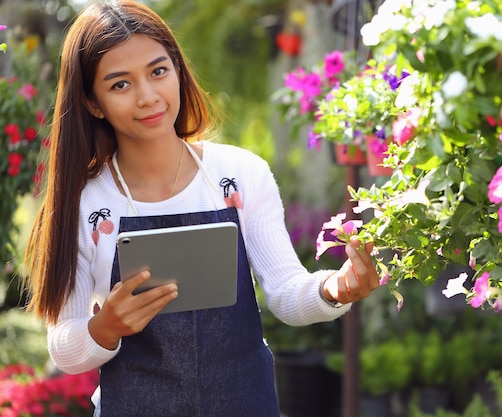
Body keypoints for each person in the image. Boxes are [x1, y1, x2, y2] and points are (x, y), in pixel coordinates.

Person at [23, 1, 381, 416]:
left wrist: (334, 289)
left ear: (177, 70)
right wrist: (103, 330)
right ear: (92, 103)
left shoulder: (240, 174)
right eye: (120, 84)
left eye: (158, 71)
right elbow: (64, 349)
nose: (148, 96)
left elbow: (285, 292)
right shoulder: (85, 204)